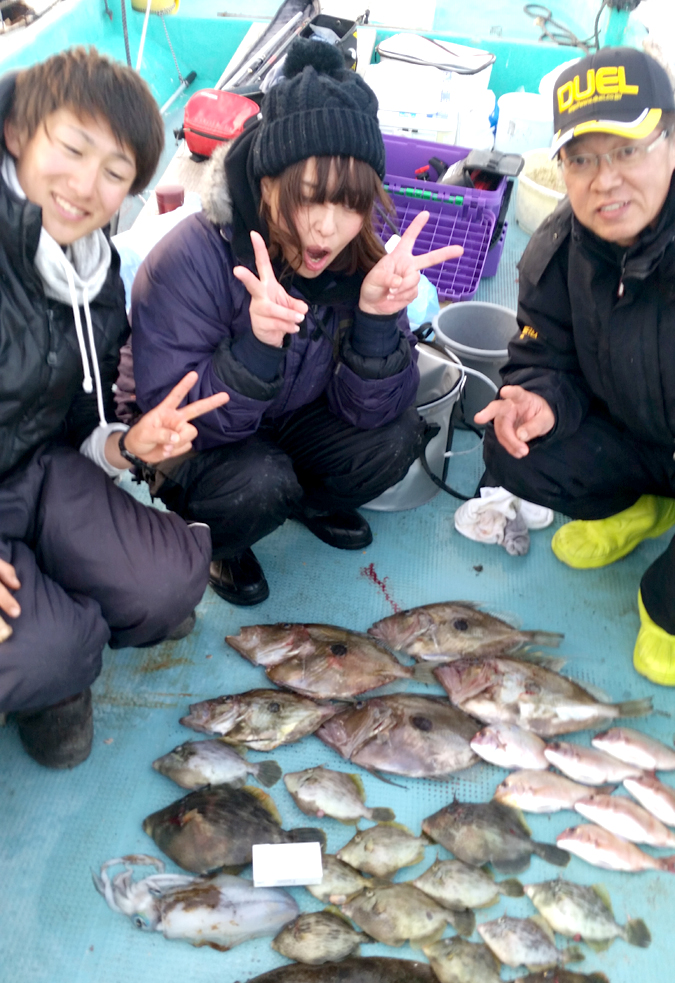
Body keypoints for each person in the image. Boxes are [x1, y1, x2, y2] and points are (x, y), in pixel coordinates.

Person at [131, 40, 462, 607]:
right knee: (258, 485)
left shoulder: (359, 255)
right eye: (309, 198)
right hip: (203, 446)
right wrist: (257, 349)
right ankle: (223, 545)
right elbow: (173, 427)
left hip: (291, 418)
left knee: (398, 436)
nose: (328, 229)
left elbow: (374, 410)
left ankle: (307, 504)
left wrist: (378, 321)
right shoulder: (190, 259)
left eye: (351, 204)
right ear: (266, 180)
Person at [0, 47, 229, 768]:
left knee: (168, 585)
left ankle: (50, 592)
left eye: (115, 171)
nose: (84, 186)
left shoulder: (88, 269)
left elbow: (69, 422)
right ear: (17, 134)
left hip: (30, 475)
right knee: (51, 654)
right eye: (71, 148)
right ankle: (52, 671)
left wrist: (125, 446)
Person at [476, 46, 675, 686]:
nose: (605, 179)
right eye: (581, 158)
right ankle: (643, 506)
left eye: (627, 150)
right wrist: (536, 399)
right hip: (640, 437)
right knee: (511, 450)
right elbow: (543, 353)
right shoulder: (561, 246)